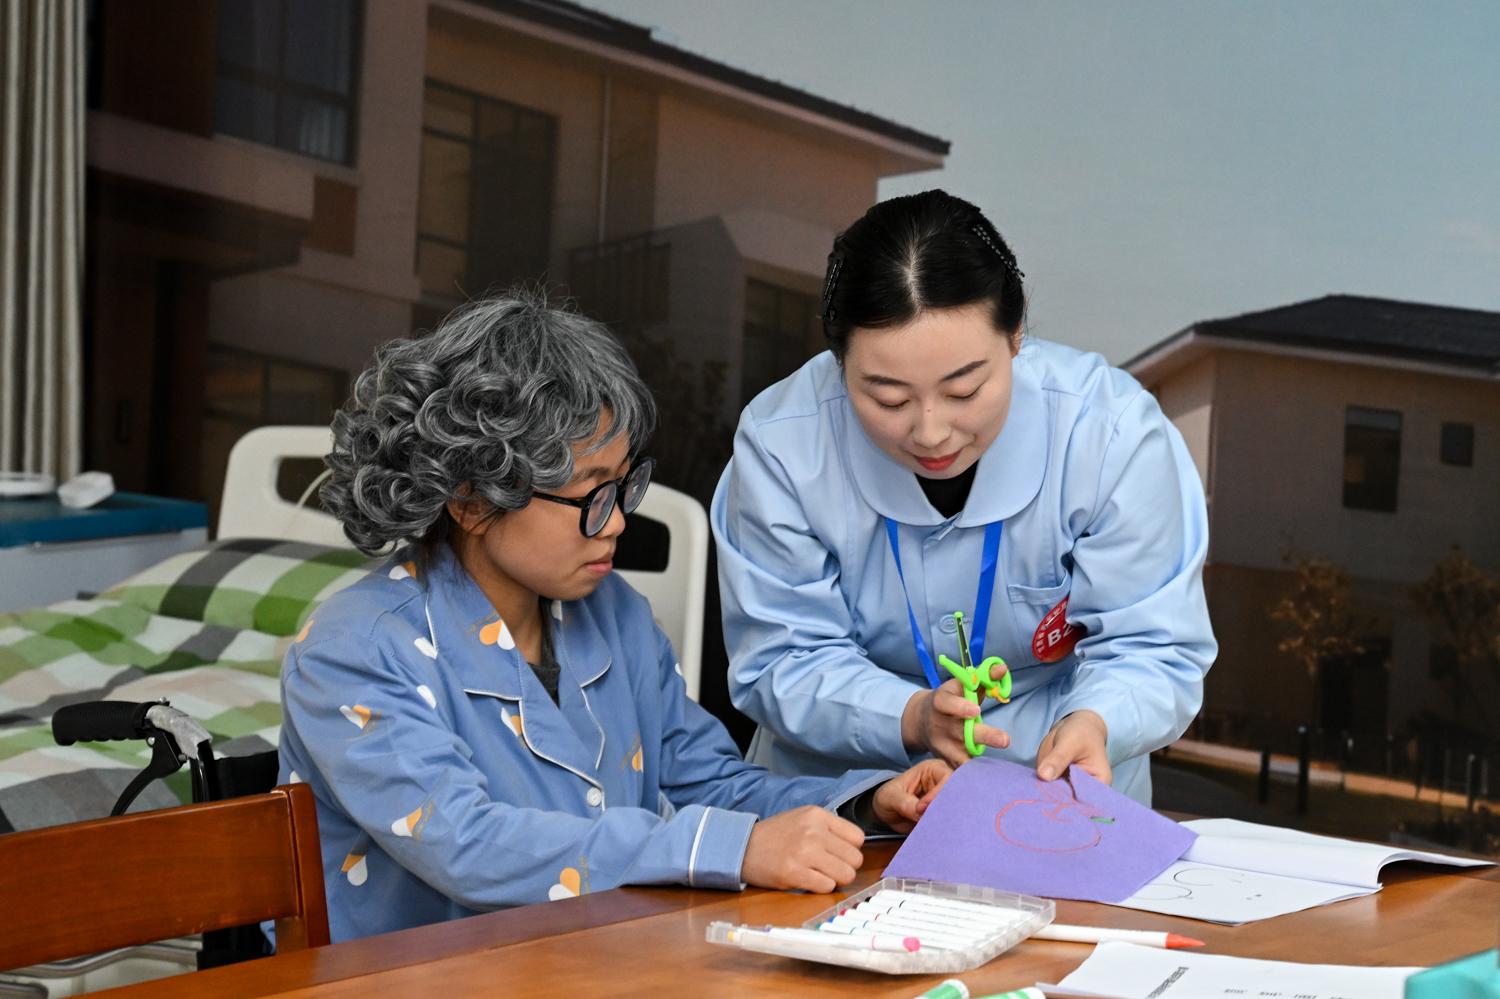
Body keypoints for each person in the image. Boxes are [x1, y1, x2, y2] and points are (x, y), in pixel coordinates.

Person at [279, 292, 949, 942]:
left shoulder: (613, 614)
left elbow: (711, 783)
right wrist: (729, 849)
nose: (618, 522)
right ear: (473, 500)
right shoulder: (356, 650)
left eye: (624, 485)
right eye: (591, 495)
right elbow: (469, 842)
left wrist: (864, 804)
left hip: (587, 967)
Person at [711, 190, 1216, 805]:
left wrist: (1097, 720)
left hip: (1053, 779)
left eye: (964, 390)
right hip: (847, 786)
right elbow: (783, 657)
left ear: (1016, 333)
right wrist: (911, 715)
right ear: (838, 362)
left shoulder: (1108, 435)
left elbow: (1151, 645)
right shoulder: (783, 444)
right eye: (888, 398)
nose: (930, 432)